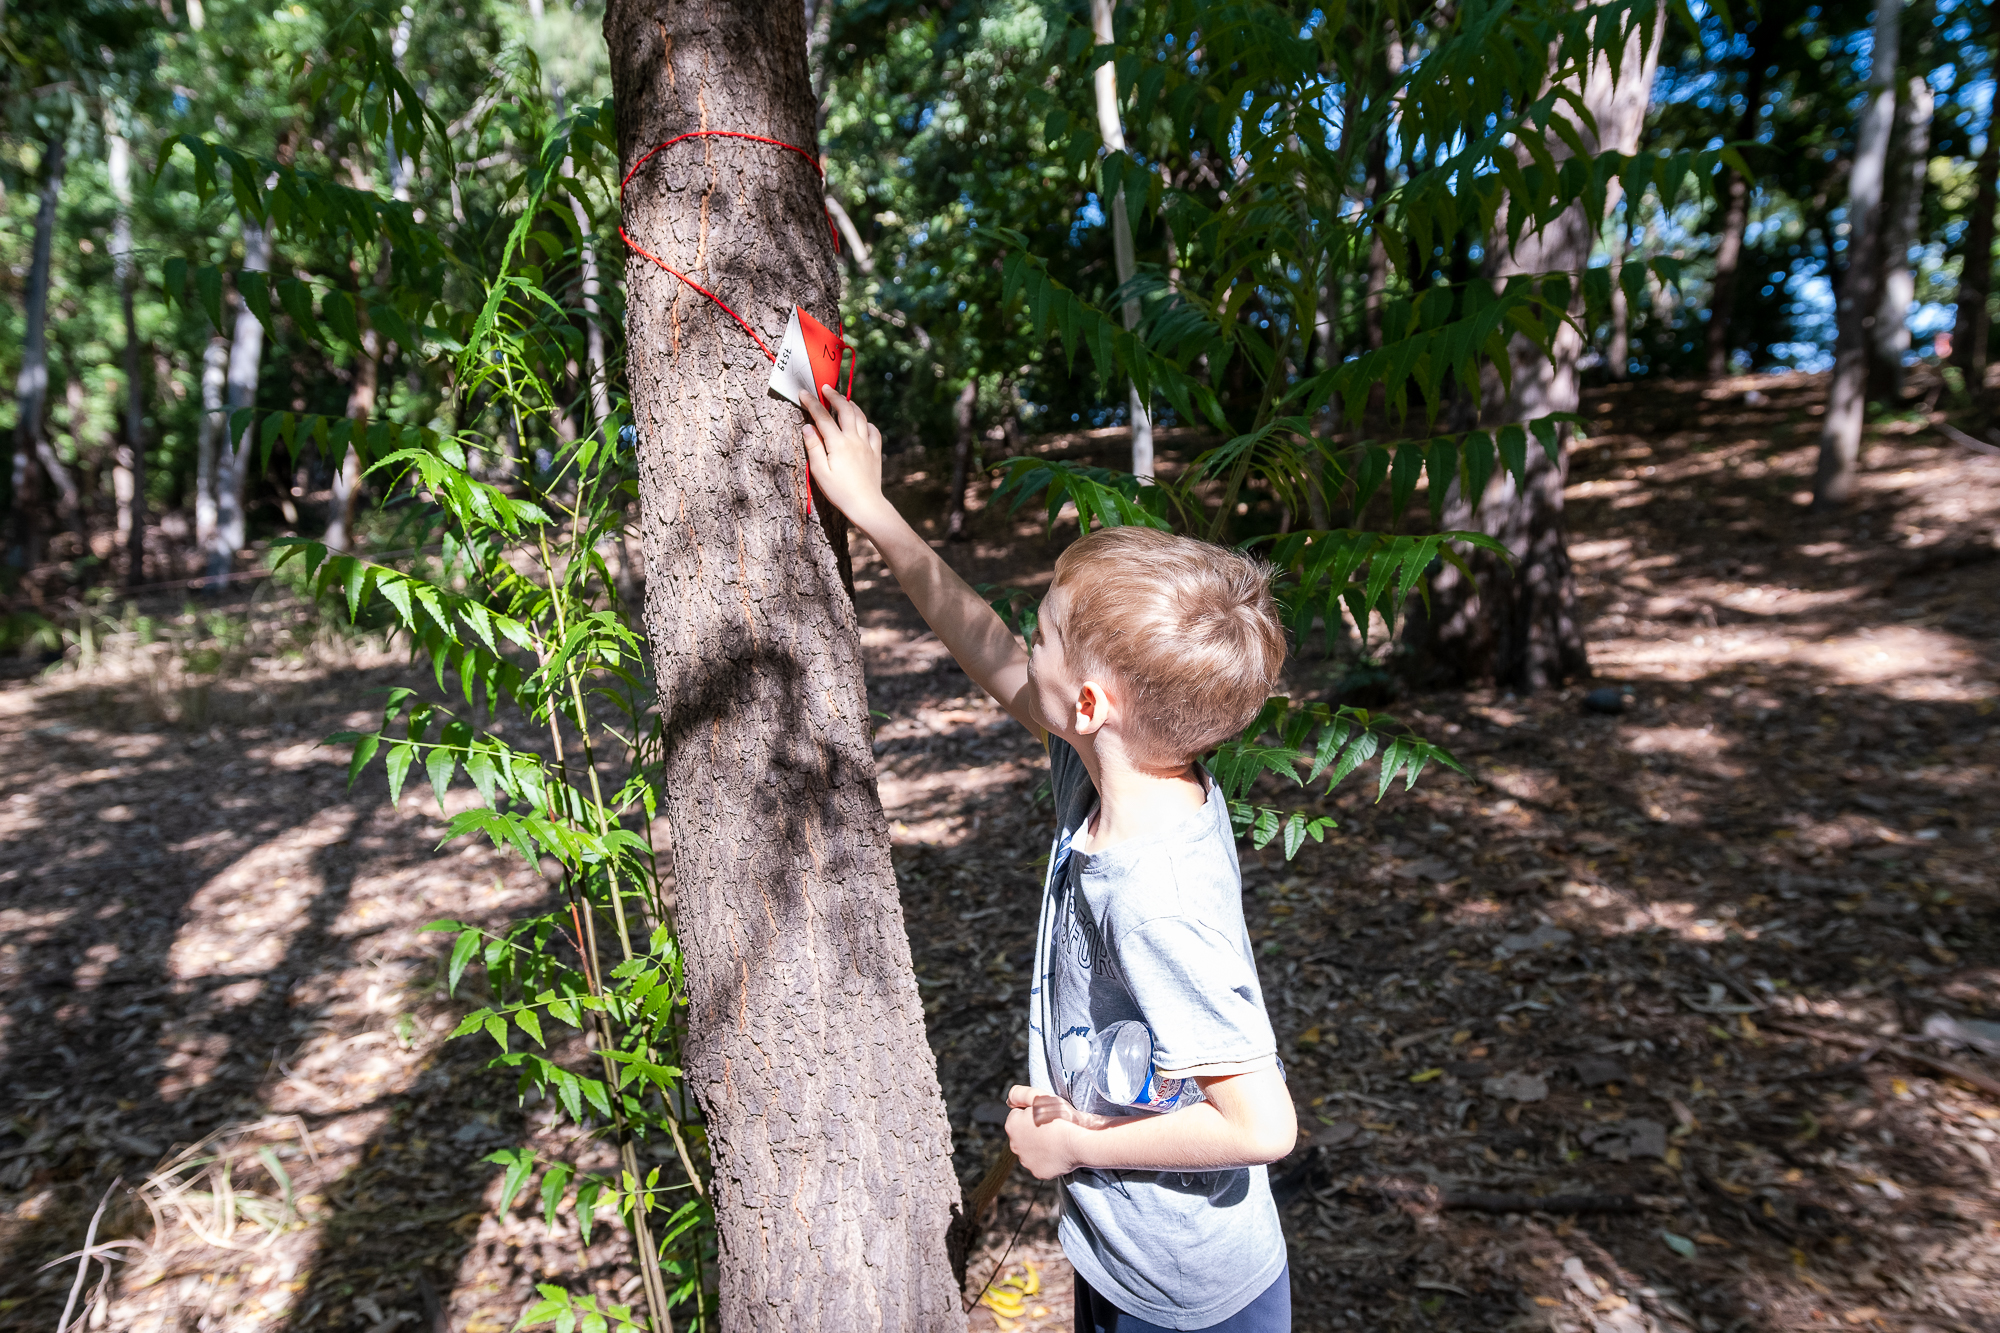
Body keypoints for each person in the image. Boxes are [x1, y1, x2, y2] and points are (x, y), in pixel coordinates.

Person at [800, 387, 1297, 1332]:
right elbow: (990, 652)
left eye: (1049, 634)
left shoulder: (1156, 891)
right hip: (1124, 1256)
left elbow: (1263, 1125)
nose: (1029, 641)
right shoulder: (1127, 770)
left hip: (1191, 1301)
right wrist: (875, 514)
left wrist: (1078, 1142)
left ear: (1095, 706)